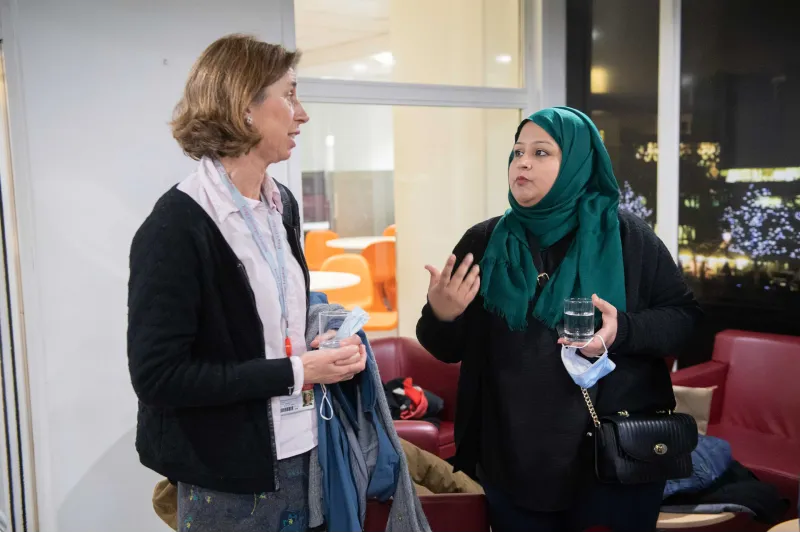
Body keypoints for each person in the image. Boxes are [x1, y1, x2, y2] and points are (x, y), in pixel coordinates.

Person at [416, 107, 702, 533]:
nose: (523, 162)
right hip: (512, 461)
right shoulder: (485, 240)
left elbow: (686, 319)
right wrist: (443, 313)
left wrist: (622, 329)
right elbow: (445, 345)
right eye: (517, 152)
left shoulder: (628, 238)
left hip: (614, 460)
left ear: (577, 163)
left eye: (542, 152)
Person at [127, 34, 367, 532]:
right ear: (245, 108)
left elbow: (259, 333)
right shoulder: (177, 226)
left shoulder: (281, 205)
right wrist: (298, 371)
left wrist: (315, 347)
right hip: (228, 479)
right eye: (290, 95)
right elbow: (159, 378)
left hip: (305, 454)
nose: (302, 114)